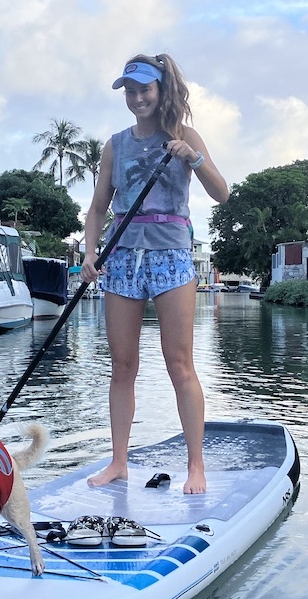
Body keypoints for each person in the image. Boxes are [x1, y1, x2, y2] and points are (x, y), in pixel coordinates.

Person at [81, 53, 230, 495]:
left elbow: (222, 194)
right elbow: (96, 209)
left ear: (161, 90)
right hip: (124, 258)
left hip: (173, 258)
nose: (137, 97)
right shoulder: (115, 144)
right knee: (122, 366)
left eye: (145, 89)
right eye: (130, 90)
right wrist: (90, 254)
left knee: (179, 363)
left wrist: (195, 158)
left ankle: (196, 466)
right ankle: (119, 462)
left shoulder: (184, 135)